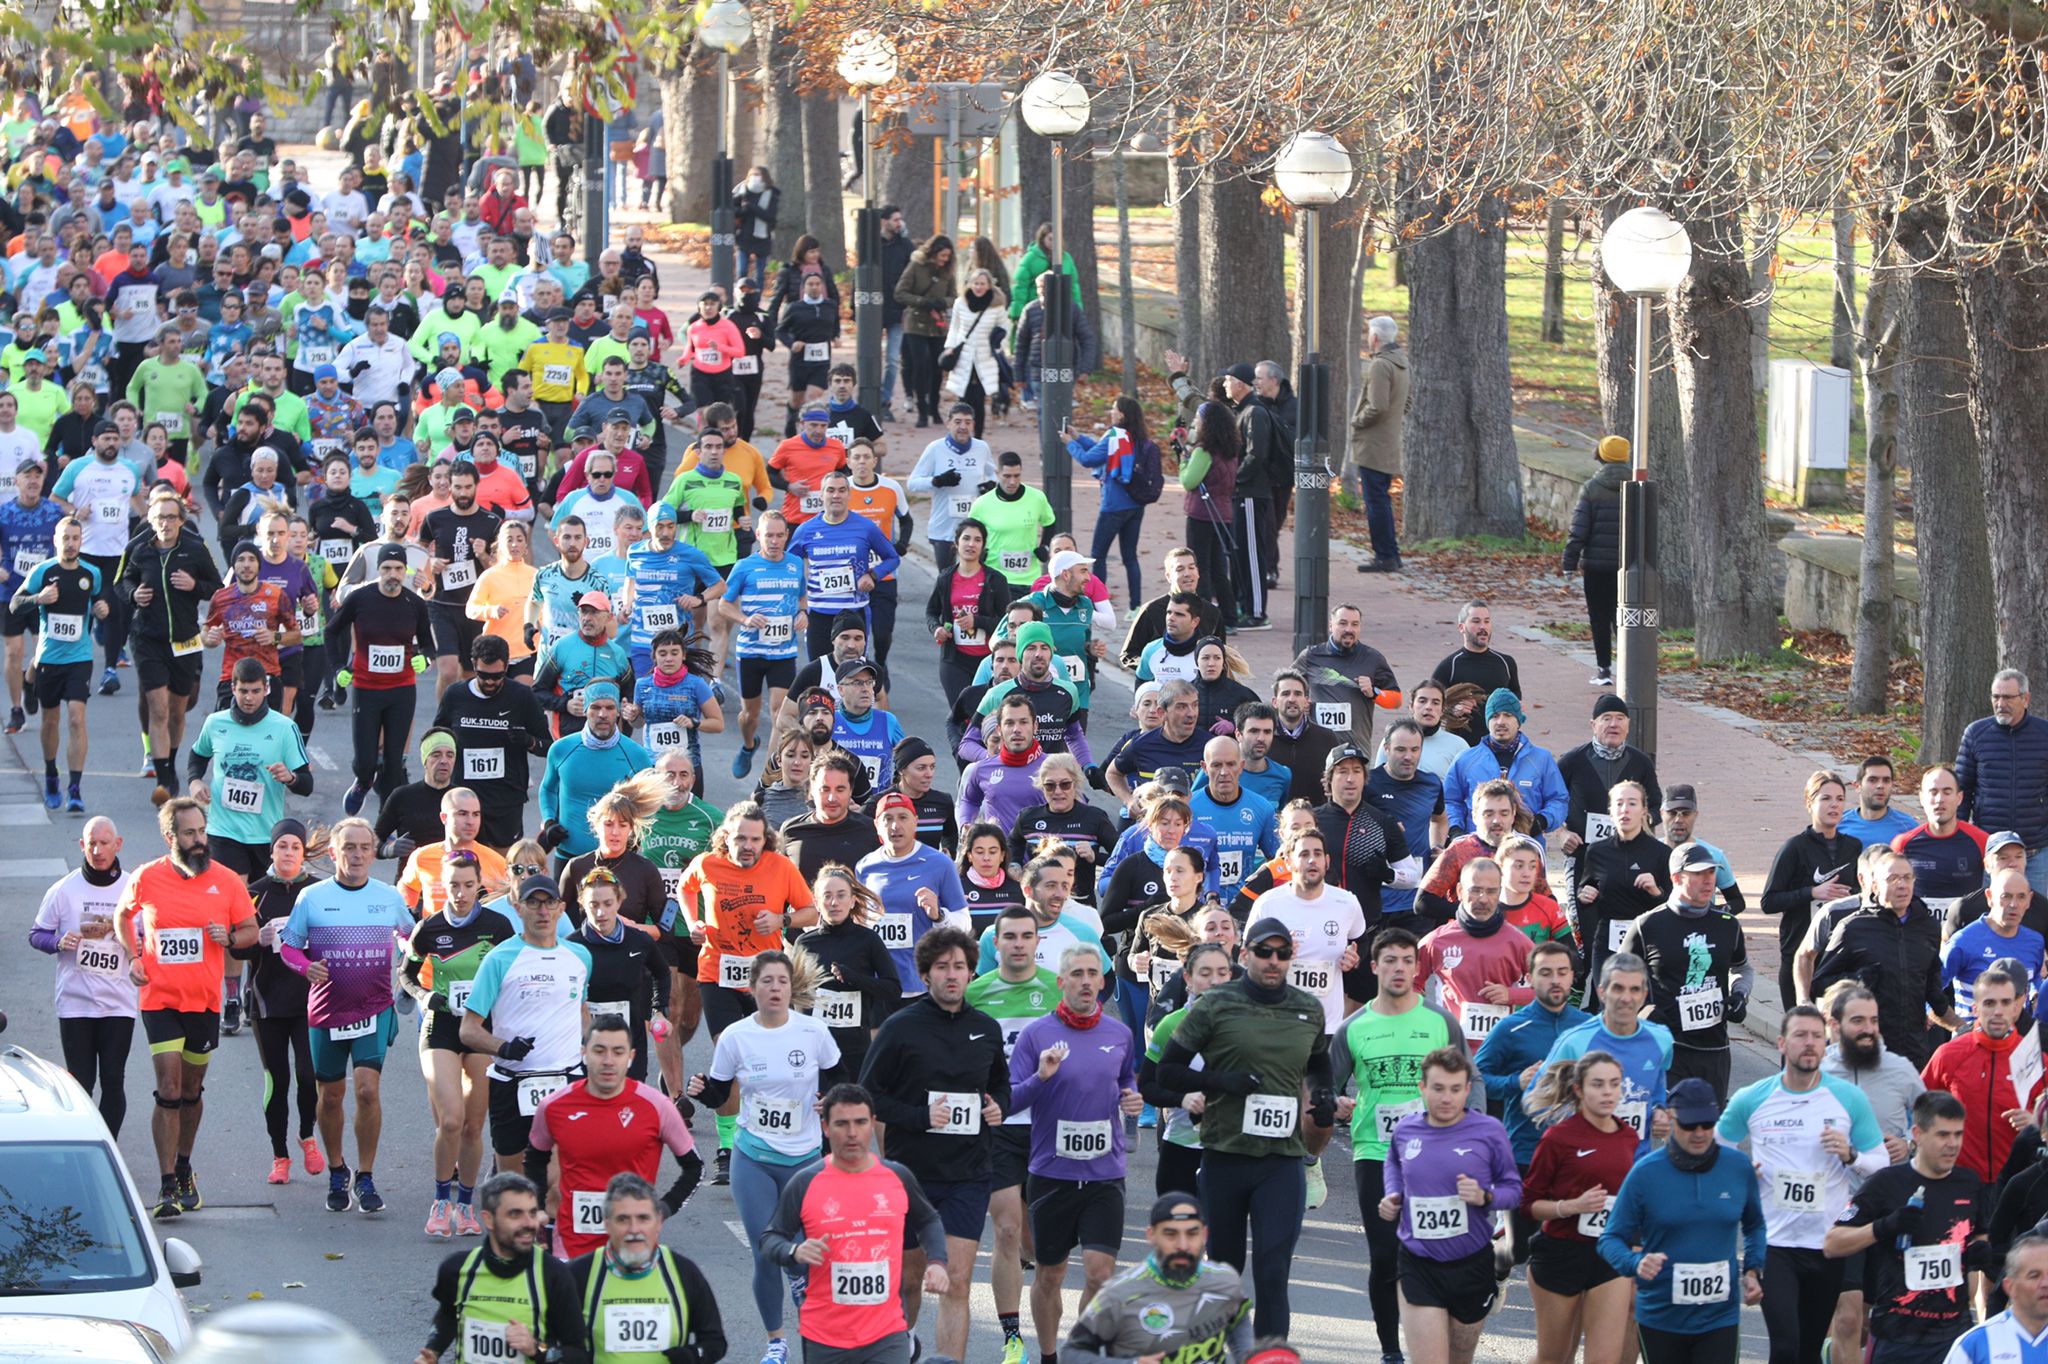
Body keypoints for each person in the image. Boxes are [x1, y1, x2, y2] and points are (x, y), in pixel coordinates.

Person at [1151, 916, 1332, 1338]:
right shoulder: (1217, 1004)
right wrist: (1219, 1083)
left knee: (1273, 1272)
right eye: (1264, 952)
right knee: (1225, 1277)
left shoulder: (1308, 1007)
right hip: (1225, 1155)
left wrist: (1322, 1095)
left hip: (1281, 1161)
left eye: (1282, 953)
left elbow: (1320, 1063)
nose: (1273, 960)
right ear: (1244, 954)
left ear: (1291, 957)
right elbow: (1168, 1073)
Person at [856, 926, 1010, 1363]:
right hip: (912, 1175)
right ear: (925, 975)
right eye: (941, 967)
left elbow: (1000, 1083)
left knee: (958, 1280)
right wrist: (920, 1117)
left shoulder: (986, 1028)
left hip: (969, 1173)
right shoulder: (900, 1027)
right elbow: (869, 1096)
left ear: (970, 972)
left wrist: (998, 1104)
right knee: (910, 1278)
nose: (951, 975)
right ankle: (894, 1354)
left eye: (959, 967)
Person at [685, 951, 838, 1363]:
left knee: (805, 1254)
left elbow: (838, 1078)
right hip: (753, 1156)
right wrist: (700, 1089)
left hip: (805, 1160)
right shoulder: (736, 1036)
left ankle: (816, 1335)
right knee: (766, 1251)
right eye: (766, 981)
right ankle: (776, 1341)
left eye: (781, 982)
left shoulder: (813, 1032)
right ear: (752, 989)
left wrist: (829, 1100)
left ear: (792, 988)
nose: (774, 989)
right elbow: (719, 1094)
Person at [115, 796, 261, 1218]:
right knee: (170, 1088)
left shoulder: (228, 880)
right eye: (190, 834)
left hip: (204, 1001)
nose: (200, 841)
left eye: (202, 832)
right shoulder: (147, 877)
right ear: (170, 837)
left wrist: (229, 938)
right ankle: (165, 1187)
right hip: (159, 998)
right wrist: (135, 957)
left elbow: (250, 929)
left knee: (192, 1091)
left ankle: (183, 1167)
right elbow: (122, 916)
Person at [1719, 1004, 1887, 1364]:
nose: (1809, 1043)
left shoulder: (1848, 1099)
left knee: (1809, 1349)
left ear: (1826, 1045)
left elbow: (1881, 1164)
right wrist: (1743, 1173)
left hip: (1827, 1244)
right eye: (1800, 1035)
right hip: (1774, 1245)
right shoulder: (1753, 1098)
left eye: (1816, 1036)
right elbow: (1716, 1149)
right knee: (1784, 1345)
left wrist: (1851, 1156)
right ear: (1781, 1043)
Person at [1332, 927, 1467, 1364]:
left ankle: (1435, 1341)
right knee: (1385, 1253)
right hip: (1376, 1152)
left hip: (1436, 1153)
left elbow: (1471, 1080)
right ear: (1374, 967)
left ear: (1417, 968)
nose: (1399, 968)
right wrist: (1332, 1103)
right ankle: (1392, 1350)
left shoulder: (1440, 1022)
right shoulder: (1354, 1027)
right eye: (1390, 960)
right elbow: (1326, 1088)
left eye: (1407, 961)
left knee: (1434, 1249)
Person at [1009, 945, 1143, 1362]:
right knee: (1050, 1275)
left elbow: (1128, 1079)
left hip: (1105, 1174)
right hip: (1052, 1174)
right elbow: (1011, 1100)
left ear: (1102, 983)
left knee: (1101, 1276)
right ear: (1061, 983)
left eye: (1092, 974)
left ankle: (1079, 1353)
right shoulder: (1037, 1035)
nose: (1086, 981)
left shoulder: (1119, 1034)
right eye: (1077, 974)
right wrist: (1040, 1078)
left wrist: (1132, 1098)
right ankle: (1049, 1355)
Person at [758, 1083, 953, 1364]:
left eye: (860, 1122)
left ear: (872, 1124)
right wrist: (794, 1252)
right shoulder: (805, 1182)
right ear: (825, 1127)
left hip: (887, 1334)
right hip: (825, 1336)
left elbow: (928, 1219)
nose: (852, 1133)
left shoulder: (897, 1177)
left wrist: (937, 1261)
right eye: (841, 1123)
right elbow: (770, 1238)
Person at [278, 816, 414, 1216]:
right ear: (334, 853)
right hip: (327, 1010)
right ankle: (338, 1169)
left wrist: (412, 951)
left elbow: (410, 936)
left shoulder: (388, 897)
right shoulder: (313, 898)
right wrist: (306, 968)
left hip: (373, 1008)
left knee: (368, 1090)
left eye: (364, 848)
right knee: (331, 1096)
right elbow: (289, 947)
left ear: (374, 854)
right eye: (349, 848)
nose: (356, 855)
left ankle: (367, 1175)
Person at [677, 802, 816, 1181]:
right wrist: (695, 922)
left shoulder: (781, 867)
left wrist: (783, 919)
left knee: (764, 1062)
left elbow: (811, 911)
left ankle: (763, 1136)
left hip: (765, 978)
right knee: (733, 1057)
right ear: (727, 837)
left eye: (755, 839)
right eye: (740, 838)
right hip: (716, 974)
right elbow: (684, 888)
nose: (747, 846)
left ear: (765, 840)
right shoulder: (707, 864)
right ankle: (728, 1146)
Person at [1596, 1077, 1765, 1364]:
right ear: (1672, 1119)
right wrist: (1636, 1263)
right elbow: (1609, 1240)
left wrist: (1753, 1270)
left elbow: (1755, 1225)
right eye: (1689, 1125)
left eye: (1707, 1124)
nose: (1699, 1133)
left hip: (1719, 1318)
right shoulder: (1646, 1173)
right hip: (1661, 1317)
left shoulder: (1737, 1167)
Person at [1824, 1090, 1993, 1363]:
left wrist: (1979, 1250)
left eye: (1958, 1134)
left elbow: (1980, 1233)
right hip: (1896, 1336)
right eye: (1942, 1135)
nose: (1952, 1144)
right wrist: (1883, 1227)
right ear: (1917, 1133)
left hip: (1952, 1334)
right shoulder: (1887, 1183)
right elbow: (1833, 1243)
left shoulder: (1969, 1184)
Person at [1377, 1046, 1521, 1364]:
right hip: (1418, 1263)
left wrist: (1486, 1197)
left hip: (1472, 1264)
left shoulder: (1489, 1132)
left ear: (1468, 1090)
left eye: (1455, 1089)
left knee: (1460, 1357)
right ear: (1422, 1088)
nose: (1446, 1098)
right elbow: (1394, 1166)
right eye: (1438, 1088)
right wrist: (1392, 1195)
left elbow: (1514, 1191)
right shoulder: (1406, 1130)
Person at [403, 848, 514, 1239]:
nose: (461, 893)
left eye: (468, 885)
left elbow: (512, 975)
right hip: (442, 1028)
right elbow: (407, 974)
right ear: (443, 886)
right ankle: (440, 1201)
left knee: (472, 1125)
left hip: (480, 1030)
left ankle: (465, 1205)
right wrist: (425, 995)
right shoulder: (430, 928)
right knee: (450, 1118)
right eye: (453, 885)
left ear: (479, 884)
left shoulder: (499, 927)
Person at [461, 875, 594, 1192]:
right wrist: (503, 1047)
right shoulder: (499, 959)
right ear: (518, 907)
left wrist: (591, 1049)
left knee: (558, 1178)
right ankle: (521, 1238)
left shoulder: (580, 956)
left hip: (566, 1080)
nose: (542, 911)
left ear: (561, 908)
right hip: (513, 1082)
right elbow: (468, 1030)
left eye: (549, 902)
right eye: (533, 903)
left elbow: (581, 1009)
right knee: (516, 1184)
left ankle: (549, 1239)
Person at [532, 1015, 700, 1263]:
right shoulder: (554, 1106)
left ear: (630, 1057)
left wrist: (662, 1209)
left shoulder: (657, 1106)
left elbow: (695, 1167)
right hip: (570, 1249)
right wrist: (536, 1209)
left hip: (634, 1250)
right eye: (599, 1051)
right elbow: (534, 1159)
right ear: (583, 1053)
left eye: (618, 1052)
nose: (608, 1061)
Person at [1516, 1050, 1639, 1364]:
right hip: (1561, 1254)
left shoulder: (1629, 1138)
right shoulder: (1559, 1138)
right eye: (1598, 1084)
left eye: (1614, 1084)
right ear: (1579, 1090)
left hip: (1609, 1258)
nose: (1608, 1092)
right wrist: (1571, 1206)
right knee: (1555, 1357)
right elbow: (1528, 1204)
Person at [29, 816, 137, 1136]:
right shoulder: (64, 889)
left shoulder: (133, 887)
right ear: (81, 845)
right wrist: (58, 942)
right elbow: (37, 934)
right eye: (91, 842)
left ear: (117, 845)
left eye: (104, 842)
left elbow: (149, 933)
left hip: (119, 1002)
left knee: (113, 1079)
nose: (97, 849)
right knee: (80, 1083)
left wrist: (131, 940)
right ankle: (83, 1144)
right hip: (75, 1003)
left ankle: (106, 1149)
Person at [1621, 842, 1753, 1097]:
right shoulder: (1648, 926)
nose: (1708, 881)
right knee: (1671, 1125)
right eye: (1699, 874)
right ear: (1676, 878)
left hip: (1714, 1049)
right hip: (1667, 1047)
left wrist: (1739, 995)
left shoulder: (1727, 924)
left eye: (1711, 873)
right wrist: (1642, 1011)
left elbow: (1743, 968)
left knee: (1707, 1130)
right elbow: (1617, 981)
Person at [415, 1172, 588, 1364]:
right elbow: (448, 1315)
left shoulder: (553, 1275)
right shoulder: (457, 1269)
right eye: (515, 1214)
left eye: (532, 1213)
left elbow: (578, 1354)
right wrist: (433, 1350)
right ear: (488, 1219)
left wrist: (536, 1348)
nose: (529, 1224)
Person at [1063, 1192, 1252, 1364]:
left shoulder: (1225, 1280)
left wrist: (1249, 1357)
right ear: (1151, 1235)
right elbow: (1072, 1354)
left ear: (1204, 1235)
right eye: (1171, 1234)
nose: (1183, 1245)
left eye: (1192, 1233)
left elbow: (1238, 1320)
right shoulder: (1119, 1293)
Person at [1811, 846, 1956, 1068]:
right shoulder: (1853, 928)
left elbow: (1933, 990)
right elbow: (1819, 984)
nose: (1902, 884)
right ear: (1875, 885)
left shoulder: (1928, 927)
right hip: (1866, 1049)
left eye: (1907, 878)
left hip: (1913, 1051)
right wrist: (1857, 980)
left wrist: (1961, 1027)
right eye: (1893, 878)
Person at [562, 1172, 726, 1364]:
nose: (634, 1229)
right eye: (623, 1219)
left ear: (658, 1223)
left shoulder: (683, 1271)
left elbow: (715, 1342)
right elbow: (556, 1344)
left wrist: (693, 1355)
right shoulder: (580, 1273)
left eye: (643, 1219)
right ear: (607, 1225)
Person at [11, 513, 107, 810]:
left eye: (75, 538)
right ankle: (51, 774)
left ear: (81, 541)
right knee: (50, 720)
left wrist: (103, 610)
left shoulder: (91, 573)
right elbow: (15, 603)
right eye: (65, 538)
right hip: (49, 658)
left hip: (80, 658)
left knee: (77, 718)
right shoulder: (42, 571)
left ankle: (75, 788)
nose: (70, 544)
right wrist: (38, 598)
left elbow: (102, 605)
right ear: (56, 541)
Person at [1922, 963, 2039, 1181]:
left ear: (2016, 1008)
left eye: (2005, 1003)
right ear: (1975, 1008)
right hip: (1958, 1182)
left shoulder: (2035, 1058)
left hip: (2017, 1185)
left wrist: (2037, 1122)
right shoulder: (1948, 1055)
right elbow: (1918, 1109)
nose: (1997, 1011)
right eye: (1989, 1003)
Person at [1543, 951, 1673, 1146]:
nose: (1626, 998)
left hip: (1635, 1166)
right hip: (1585, 1165)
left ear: (1644, 994)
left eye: (1635, 989)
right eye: (1618, 988)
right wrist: (1583, 1118)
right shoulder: (1575, 1042)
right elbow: (1535, 1099)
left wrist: (1659, 1110)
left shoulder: (1661, 1039)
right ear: (1601, 992)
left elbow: (1657, 1083)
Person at [1762, 769, 1863, 1008]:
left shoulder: (1853, 846)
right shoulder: (1794, 848)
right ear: (1810, 803)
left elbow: (1862, 892)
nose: (1834, 805)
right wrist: (1812, 892)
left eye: (1839, 799)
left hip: (1838, 956)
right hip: (1801, 954)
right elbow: (1769, 901)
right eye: (1826, 798)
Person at [1958, 667, 2048, 895]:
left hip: (2037, 852)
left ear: (2025, 699)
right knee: (1992, 919)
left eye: (2007, 697)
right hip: (1992, 851)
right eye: (1995, 697)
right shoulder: (1976, 734)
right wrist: (1959, 837)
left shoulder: (2044, 735)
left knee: (2040, 920)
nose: (2000, 703)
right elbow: (1961, 790)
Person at [1442, 688, 1568, 845]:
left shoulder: (1541, 759)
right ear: (1488, 721)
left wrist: (1541, 822)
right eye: (1494, 716)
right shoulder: (1465, 759)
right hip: (1477, 849)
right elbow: (1450, 800)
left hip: (1525, 849)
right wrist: (1455, 830)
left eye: (1507, 715)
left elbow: (1559, 799)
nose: (1500, 722)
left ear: (1519, 720)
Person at [1559, 435, 1627, 684]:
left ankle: (1604, 670)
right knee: (1624, 617)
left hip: (1597, 567)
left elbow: (1579, 528)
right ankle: (1628, 668)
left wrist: (1570, 562)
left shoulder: (1592, 488)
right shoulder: (1638, 486)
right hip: (1627, 567)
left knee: (1599, 617)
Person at [1291, 602, 1400, 752]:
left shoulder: (1373, 658)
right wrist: (1301, 700)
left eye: (1355, 624)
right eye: (1343, 623)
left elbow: (1396, 701)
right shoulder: (1311, 656)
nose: (1349, 629)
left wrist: (1374, 692)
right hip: (1316, 748)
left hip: (1357, 750)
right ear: (1331, 626)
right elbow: (1285, 685)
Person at [1944, 867, 2046, 1024]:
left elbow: (2034, 980)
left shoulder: (2035, 942)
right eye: (2006, 896)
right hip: (1972, 1043)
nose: (2013, 904)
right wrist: (1958, 1027)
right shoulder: (1963, 941)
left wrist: (2035, 996)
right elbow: (1930, 991)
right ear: (1989, 897)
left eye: (2021, 897)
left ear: (2029, 901)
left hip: (2020, 1043)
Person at [1349, 315, 1409, 574]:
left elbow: (1377, 406)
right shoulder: (1402, 363)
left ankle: (1384, 555)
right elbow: (1407, 403)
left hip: (1373, 444)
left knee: (1376, 502)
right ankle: (1390, 554)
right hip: (1389, 440)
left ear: (1374, 338)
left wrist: (1357, 421)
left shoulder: (1381, 366)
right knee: (1381, 500)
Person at [1429, 601, 1521, 747]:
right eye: (1476, 621)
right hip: (1463, 747)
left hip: (1501, 744)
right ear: (1461, 627)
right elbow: (1431, 704)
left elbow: (1516, 696)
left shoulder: (1506, 663)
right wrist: (1452, 710)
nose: (1483, 627)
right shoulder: (1449, 666)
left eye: (1487, 621)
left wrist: (1515, 706)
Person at [1839, 753, 1921, 847]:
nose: (1880, 786)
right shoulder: (1839, 824)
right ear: (1858, 786)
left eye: (1886, 780)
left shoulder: (1909, 828)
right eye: (1873, 780)